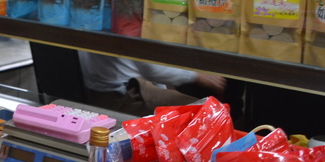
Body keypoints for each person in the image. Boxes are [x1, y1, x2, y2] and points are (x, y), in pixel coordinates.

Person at [78, 50, 227, 116]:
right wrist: (197, 76)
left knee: (177, 96)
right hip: (118, 94)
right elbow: (152, 69)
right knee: (207, 110)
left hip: (131, 81)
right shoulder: (124, 19)